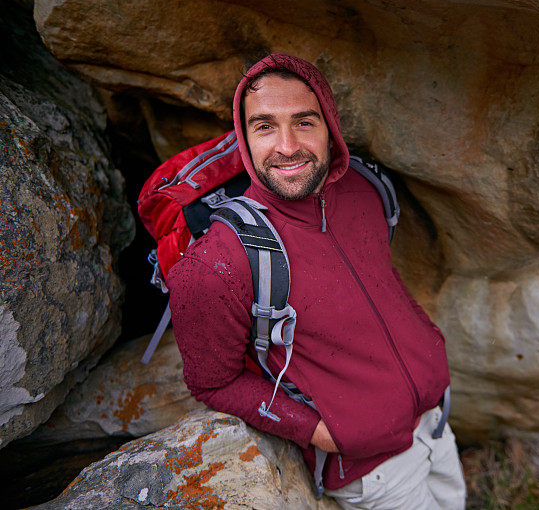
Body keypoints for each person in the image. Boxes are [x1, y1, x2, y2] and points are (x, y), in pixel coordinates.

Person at [167, 53, 466, 509]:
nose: (287, 146)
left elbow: (382, 286)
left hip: (435, 418)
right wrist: (319, 432)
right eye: (264, 126)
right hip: (375, 470)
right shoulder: (216, 262)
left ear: (331, 126)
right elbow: (213, 384)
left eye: (304, 122)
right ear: (244, 139)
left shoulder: (365, 189)